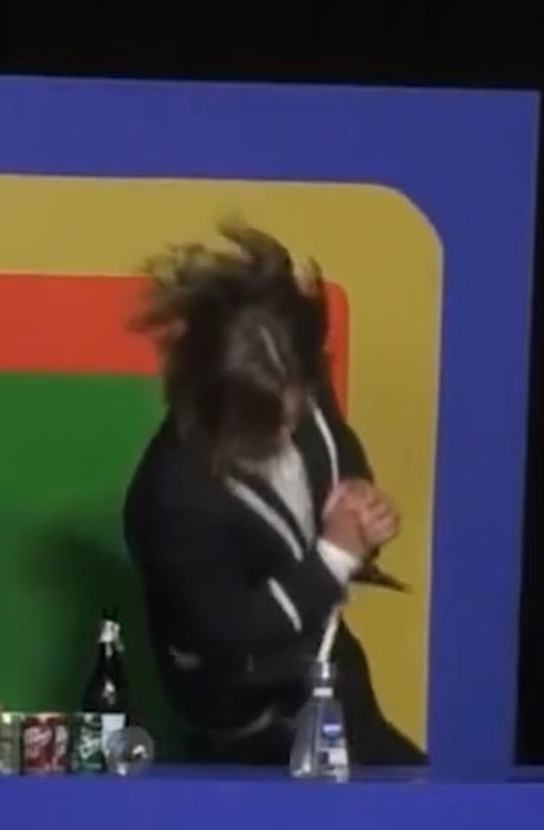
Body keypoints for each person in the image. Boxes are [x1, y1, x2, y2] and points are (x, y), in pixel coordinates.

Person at [123, 223, 425, 767]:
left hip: (332, 689)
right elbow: (230, 634)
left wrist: (362, 509)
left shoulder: (293, 379)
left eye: (297, 410)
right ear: (209, 403)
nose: (288, 435)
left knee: (433, 807)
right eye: (264, 427)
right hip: (248, 722)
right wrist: (336, 555)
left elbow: (336, 456)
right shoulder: (172, 498)